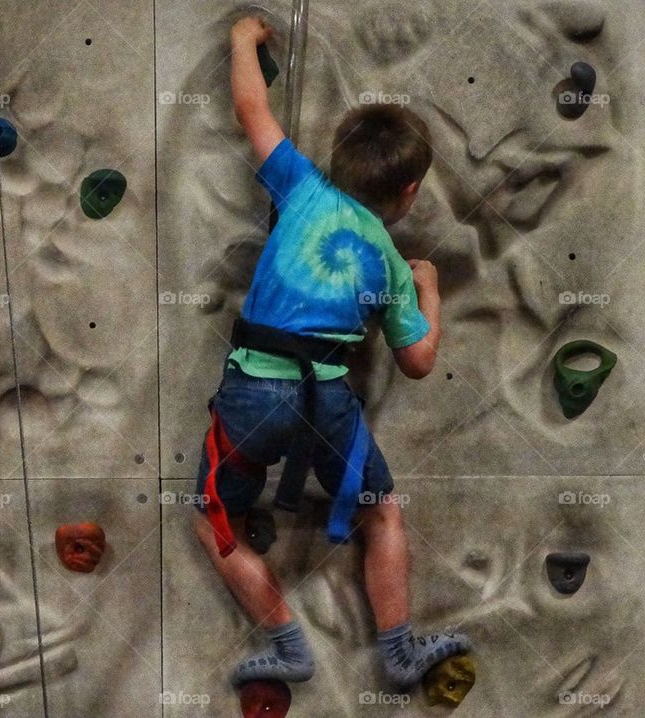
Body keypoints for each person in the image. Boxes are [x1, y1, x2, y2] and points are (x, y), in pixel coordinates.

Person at [192, 15, 471, 690]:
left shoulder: (300, 184)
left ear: (336, 159)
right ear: (408, 193)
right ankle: (398, 651)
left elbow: (250, 106)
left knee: (213, 519)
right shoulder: (392, 264)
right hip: (328, 406)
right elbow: (419, 360)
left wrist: (242, 41)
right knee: (381, 510)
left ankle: (288, 644)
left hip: (255, 395)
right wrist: (428, 288)